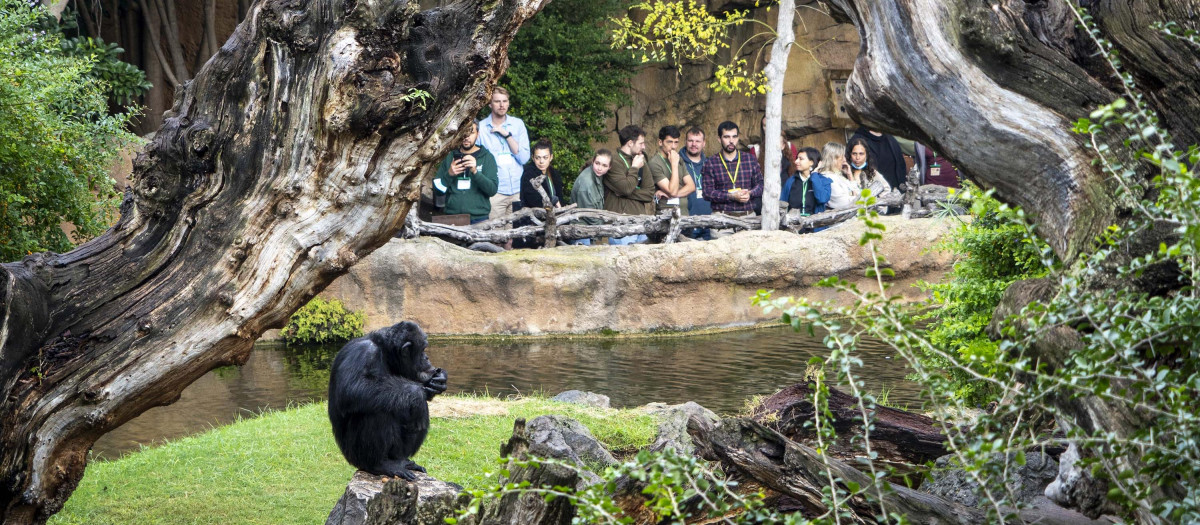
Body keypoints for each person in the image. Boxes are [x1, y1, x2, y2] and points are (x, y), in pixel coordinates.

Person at [701, 121, 763, 238]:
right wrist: (731, 196)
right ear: (719, 139)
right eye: (726, 137)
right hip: (721, 220)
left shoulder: (750, 159)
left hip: (748, 218)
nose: (731, 141)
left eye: (734, 137)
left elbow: (760, 185)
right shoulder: (711, 163)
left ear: (738, 138)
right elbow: (707, 193)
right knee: (720, 250)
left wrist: (750, 193)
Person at [477, 87, 531, 219]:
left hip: (517, 190)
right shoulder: (481, 128)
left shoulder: (518, 124)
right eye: (497, 101)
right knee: (495, 231)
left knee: (516, 231)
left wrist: (507, 135)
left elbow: (524, 158)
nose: (502, 105)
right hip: (495, 192)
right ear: (490, 104)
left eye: (505, 101)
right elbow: (477, 161)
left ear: (508, 103)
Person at [433, 121, 498, 224]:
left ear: (478, 134)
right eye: (463, 132)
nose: (466, 137)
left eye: (471, 133)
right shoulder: (450, 156)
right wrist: (449, 174)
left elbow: (492, 190)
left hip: (479, 218)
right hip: (452, 218)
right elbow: (438, 191)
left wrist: (475, 172)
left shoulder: (487, 157)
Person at [604, 125, 656, 245]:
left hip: (641, 222)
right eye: (641, 143)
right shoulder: (613, 161)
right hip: (621, 224)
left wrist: (623, 192)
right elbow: (626, 188)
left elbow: (649, 193)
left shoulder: (641, 160)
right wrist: (634, 168)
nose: (644, 147)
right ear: (630, 143)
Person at [647, 125, 695, 216]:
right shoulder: (654, 163)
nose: (673, 146)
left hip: (684, 213)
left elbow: (691, 186)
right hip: (666, 215)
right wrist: (674, 165)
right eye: (669, 142)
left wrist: (673, 195)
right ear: (660, 142)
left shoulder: (678, 159)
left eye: (676, 142)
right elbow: (672, 190)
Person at [569, 149, 611, 245]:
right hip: (580, 230)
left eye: (604, 165)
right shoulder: (586, 183)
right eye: (597, 163)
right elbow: (589, 214)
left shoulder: (598, 176)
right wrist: (606, 227)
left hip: (589, 229)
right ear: (593, 162)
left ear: (609, 167)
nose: (600, 168)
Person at [849, 127, 906, 193]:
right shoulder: (857, 141)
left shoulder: (890, 138)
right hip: (873, 195)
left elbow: (901, 166)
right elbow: (856, 173)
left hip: (896, 193)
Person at [681, 126, 712, 240]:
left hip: (709, 222)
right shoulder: (677, 163)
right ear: (685, 142)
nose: (694, 144)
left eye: (698, 141)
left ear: (704, 143)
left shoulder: (709, 163)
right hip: (687, 223)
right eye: (690, 140)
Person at [781, 147, 831, 216]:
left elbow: (822, 199)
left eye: (801, 159)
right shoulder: (791, 181)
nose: (796, 161)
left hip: (815, 221)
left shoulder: (823, 180)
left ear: (811, 162)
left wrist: (814, 176)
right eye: (797, 158)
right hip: (793, 221)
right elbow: (782, 204)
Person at [520, 139, 564, 209]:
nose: (541, 161)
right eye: (537, 158)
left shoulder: (554, 173)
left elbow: (560, 197)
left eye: (545, 157)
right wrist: (553, 200)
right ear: (533, 158)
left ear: (551, 157)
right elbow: (532, 200)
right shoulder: (528, 174)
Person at [819, 142, 859, 210]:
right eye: (842, 157)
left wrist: (850, 176)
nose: (844, 160)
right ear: (833, 159)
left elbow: (858, 194)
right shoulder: (828, 178)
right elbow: (844, 203)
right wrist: (857, 196)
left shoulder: (837, 175)